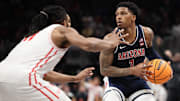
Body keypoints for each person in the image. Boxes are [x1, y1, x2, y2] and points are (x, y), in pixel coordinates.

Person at [0, 5, 128, 101]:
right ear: (63, 22)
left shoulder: (29, 38)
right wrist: (112, 43)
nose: (70, 25)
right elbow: (87, 44)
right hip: (22, 79)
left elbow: (45, 74)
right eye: (69, 21)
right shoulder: (59, 29)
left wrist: (74, 78)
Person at [100, 2, 164, 101]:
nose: (119, 17)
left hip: (137, 83)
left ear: (133, 17)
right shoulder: (109, 40)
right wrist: (132, 70)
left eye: (123, 13)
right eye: (117, 14)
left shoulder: (146, 34)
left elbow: (150, 53)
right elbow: (104, 70)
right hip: (115, 84)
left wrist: (163, 64)